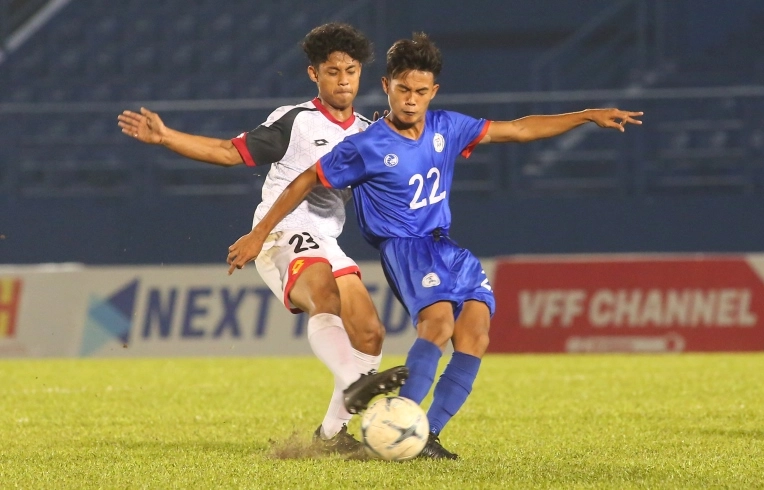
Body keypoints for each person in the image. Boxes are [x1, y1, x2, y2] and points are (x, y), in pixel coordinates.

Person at [225, 32, 643, 459]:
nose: (410, 99)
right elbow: (308, 178)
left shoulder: (448, 126)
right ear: (386, 86)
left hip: (447, 247)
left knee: (476, 332)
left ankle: (427, 434)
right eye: (402, 89)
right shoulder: (367, 143)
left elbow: (518, 129)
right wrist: (260, 232)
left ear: (433, 92)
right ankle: (395, 423)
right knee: (439, 325)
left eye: (420, 91)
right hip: (407, 248)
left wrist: (587, 115)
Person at [116, 23, 408, 455]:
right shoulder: (296, 121)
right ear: (314, 74)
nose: (343, 79)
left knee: (370, 333)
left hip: (326, 238)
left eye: (350, 70)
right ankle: (354, 383)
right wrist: (166, 137)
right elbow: (228, 152)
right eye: (332, 71)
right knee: (323, 296)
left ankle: (330, 436)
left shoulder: (368, 132)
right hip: (281, 233)